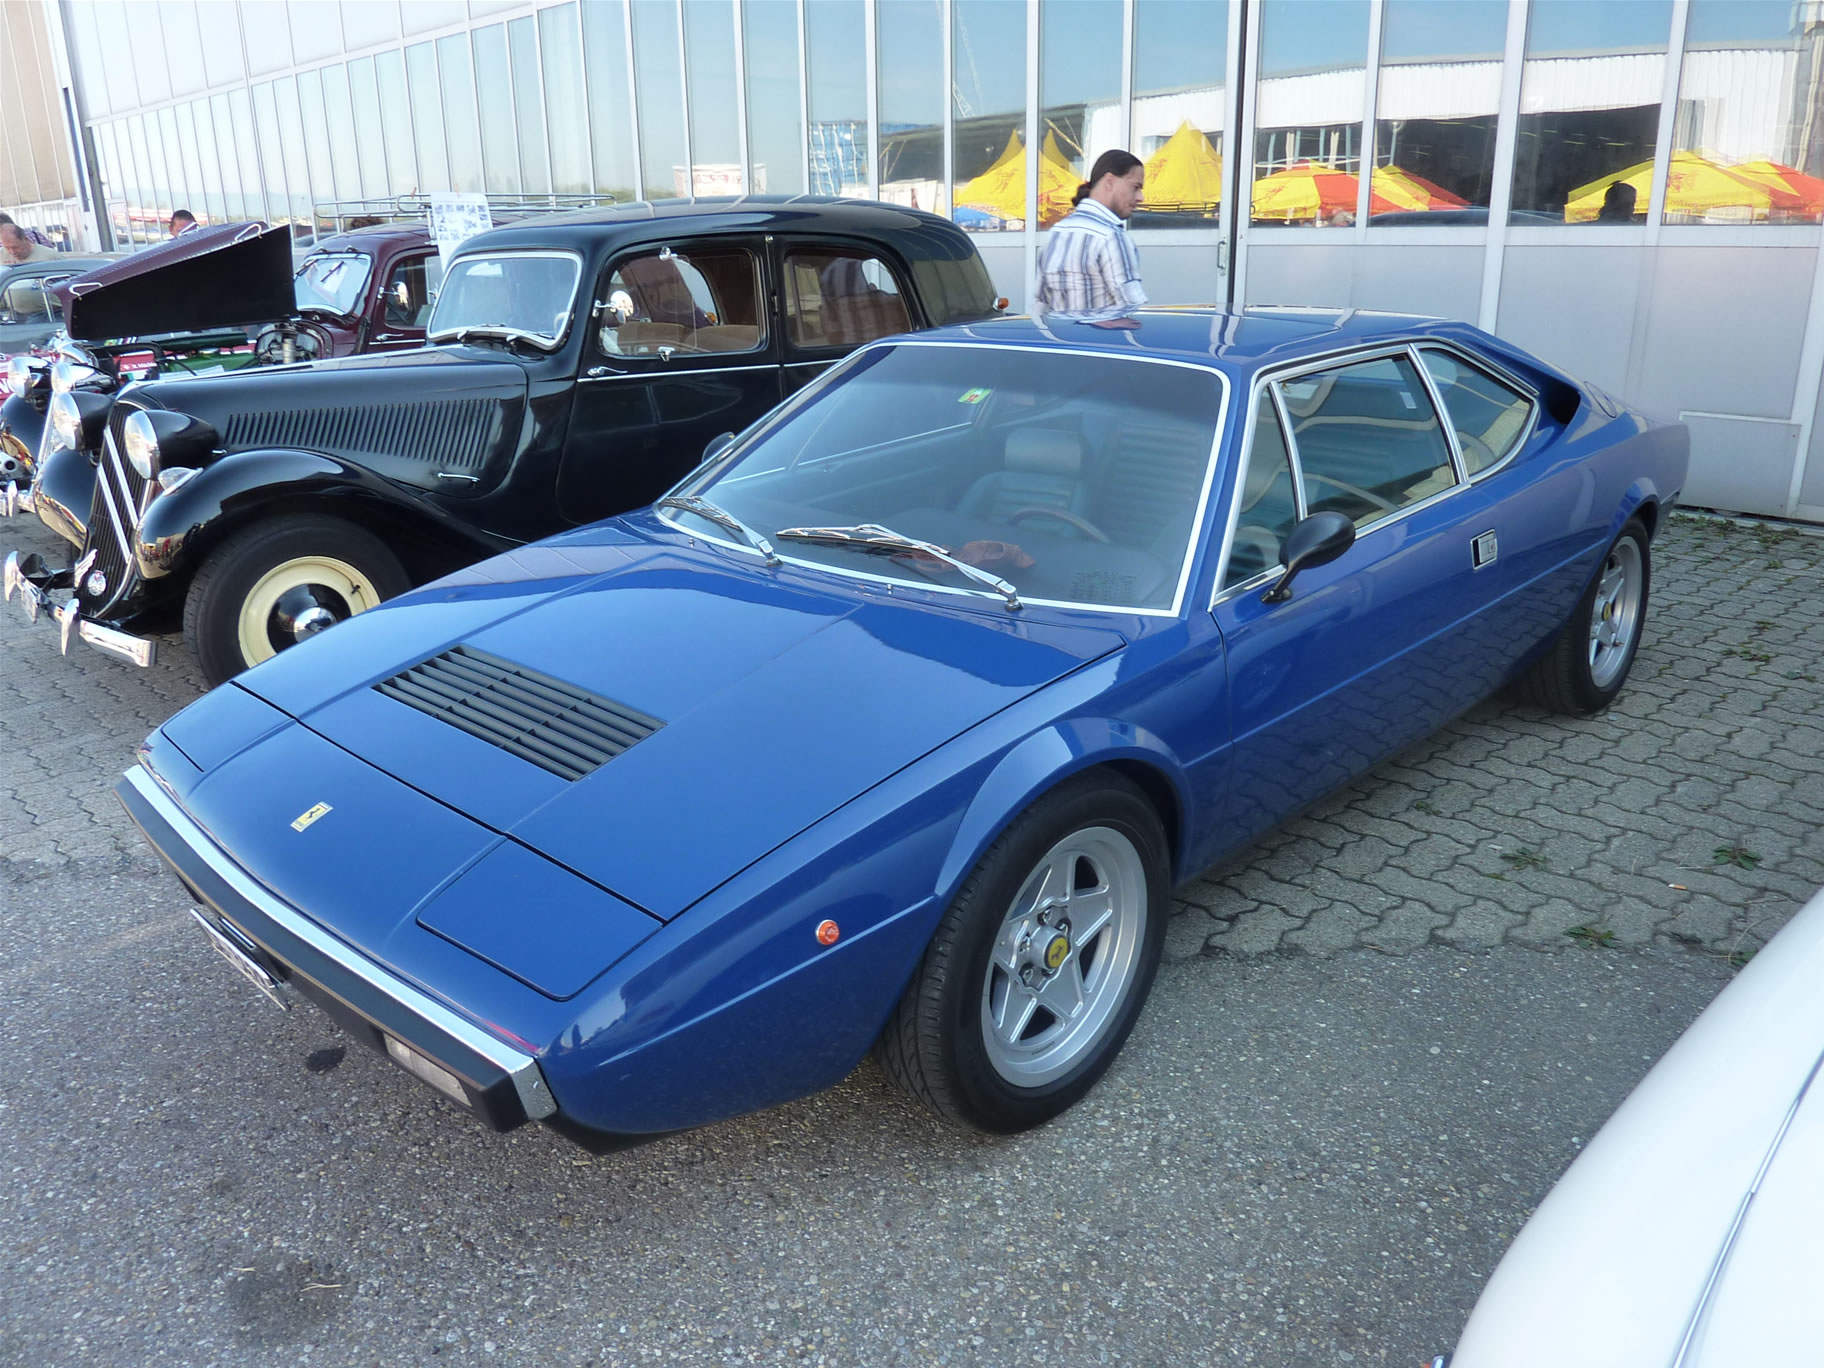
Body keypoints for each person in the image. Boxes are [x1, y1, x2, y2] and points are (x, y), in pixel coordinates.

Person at [1033, 149, 1147, 325]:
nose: (1140, 197)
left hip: (1060, 340)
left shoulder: (1057, 233)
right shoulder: (1110, 236)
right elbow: (1133, 308)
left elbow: (1040, 305)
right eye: (1135, 187)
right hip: (1103, 341)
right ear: (1109, 181)